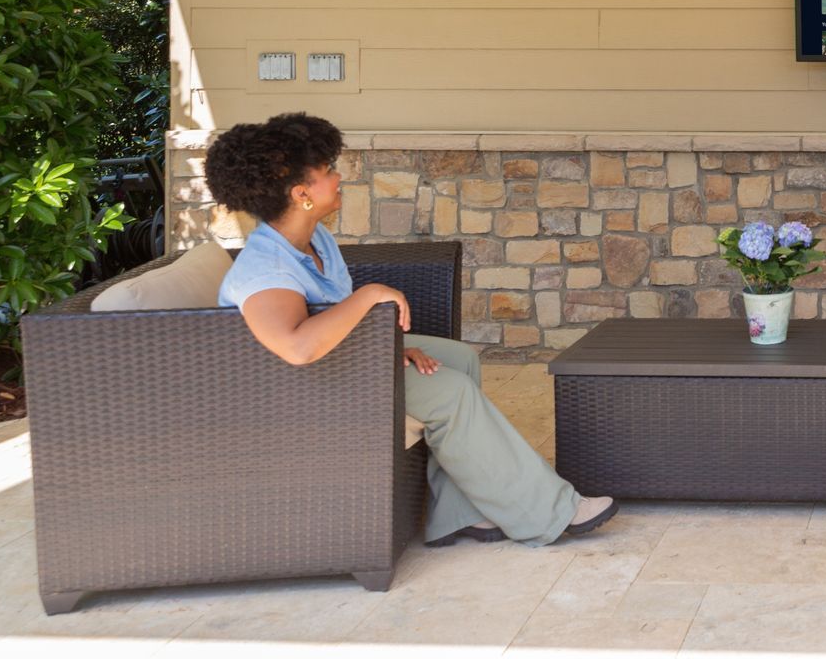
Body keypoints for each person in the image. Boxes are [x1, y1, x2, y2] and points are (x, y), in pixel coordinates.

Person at [206, 112, 617, 549]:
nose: (338, 177)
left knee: (459, 358)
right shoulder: (267, 270)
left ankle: (462, 514)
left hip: (343, 366)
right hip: (303, 392)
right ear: (301, 193)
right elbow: (297, 347)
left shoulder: (313, 240)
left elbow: (329, 326)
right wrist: (368, 298)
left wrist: (389, 346)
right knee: (449, 393)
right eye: (327, 171)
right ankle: (552, 512)